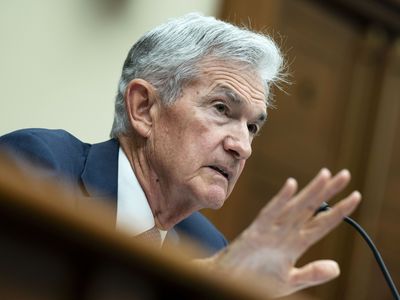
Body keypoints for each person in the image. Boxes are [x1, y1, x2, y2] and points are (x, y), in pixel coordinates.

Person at [0, 13, 361, 297]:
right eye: (222, 109)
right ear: (144, 109)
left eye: (252, 127)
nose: (242, 146)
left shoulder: (207, 245)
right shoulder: (37, 167)